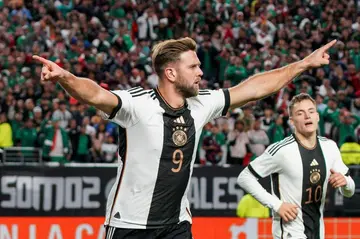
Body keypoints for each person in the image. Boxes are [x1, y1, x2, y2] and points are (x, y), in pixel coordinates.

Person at [33, 37, 336, 239]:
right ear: (171, 73)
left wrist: (302, 64)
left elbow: (254, 88)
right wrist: (65, 77)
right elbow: (96, 94)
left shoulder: (202, 103)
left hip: (177, 224)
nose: (201, 72)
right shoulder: (138, 104)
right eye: (193, 67)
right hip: (129, 224)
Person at [237, 93, 355, 239]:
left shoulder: (330, 147)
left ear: (317, 117)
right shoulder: (281, 150)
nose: (307, 116)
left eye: (311, 111)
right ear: (292, 121)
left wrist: (345, 183)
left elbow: (349, 191)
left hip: (318, 232)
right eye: (300, 113)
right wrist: (277, 205)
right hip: (289, 233)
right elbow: (244, 177)